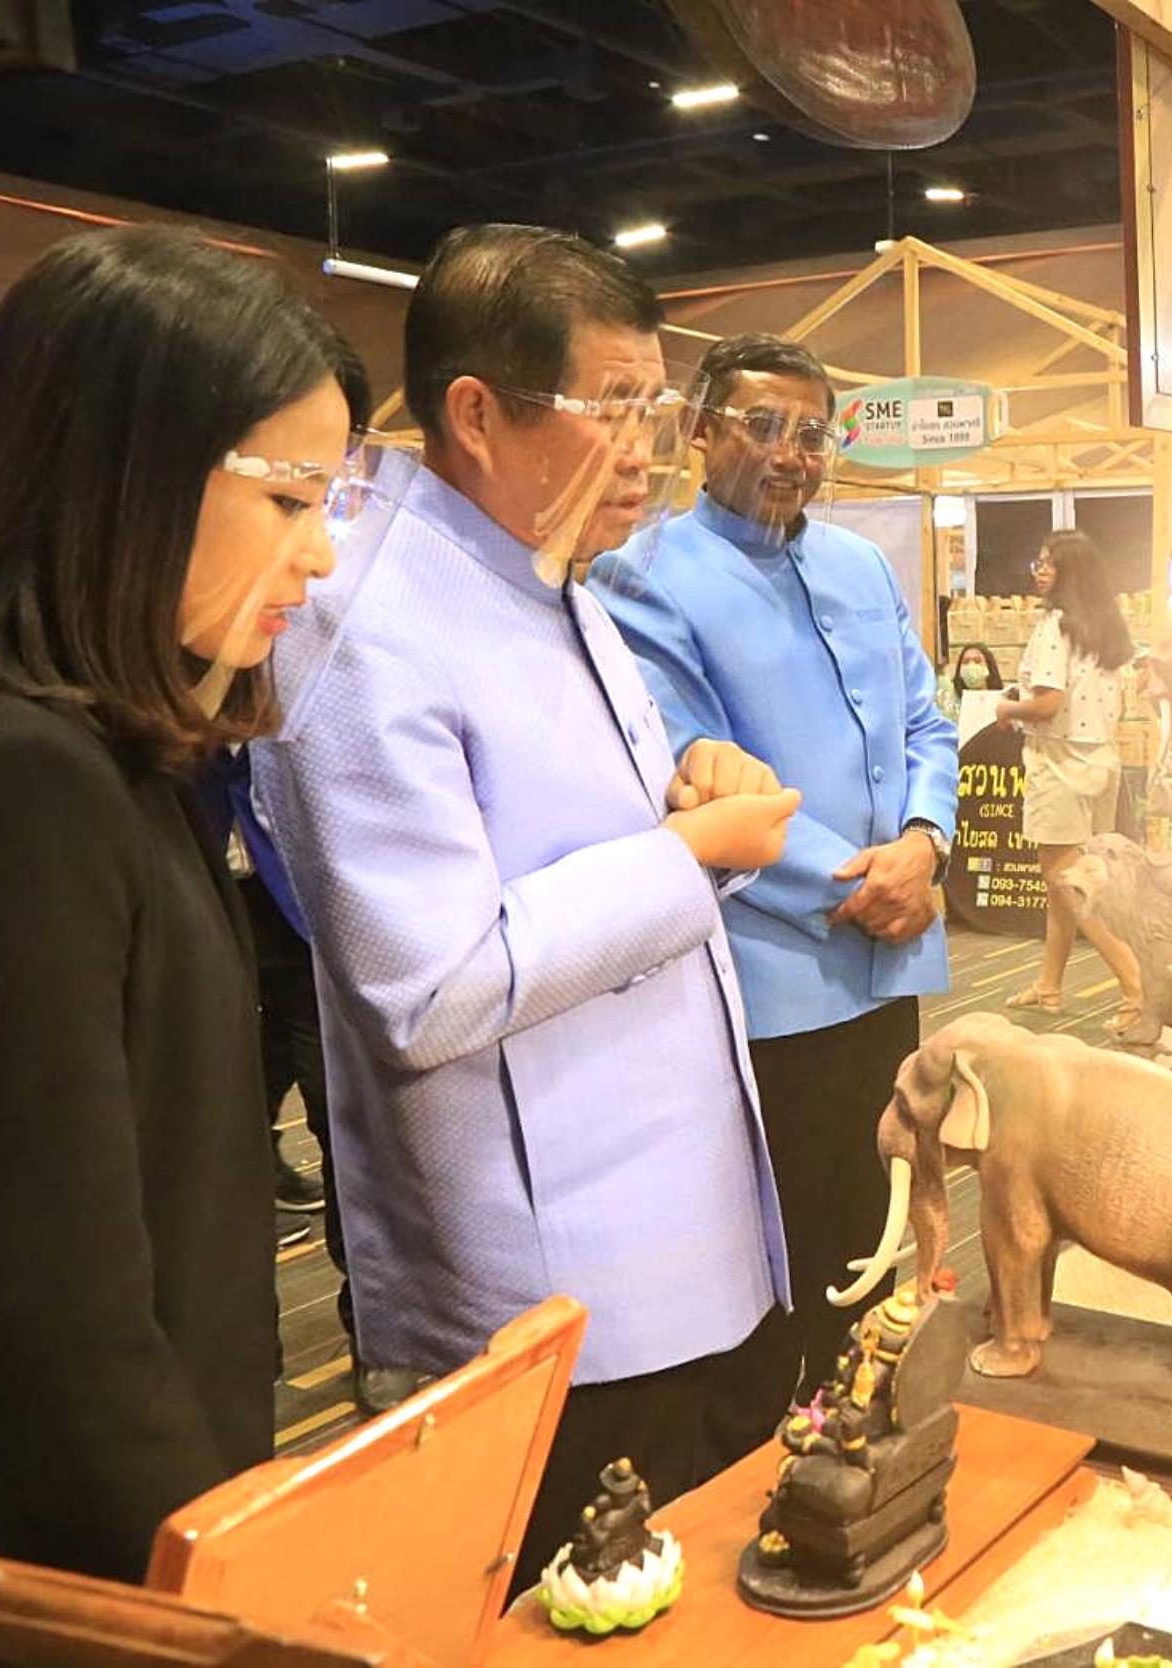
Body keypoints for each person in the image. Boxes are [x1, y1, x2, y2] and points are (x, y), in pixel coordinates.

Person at [252, 224, 804, 1595]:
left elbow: (566, 826)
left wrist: (690, 785)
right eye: (612, 407)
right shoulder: (365, 614)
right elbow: (427, 984)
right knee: (583, 1603)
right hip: (552, 1283)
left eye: (657, 408)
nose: (648, 450)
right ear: (477, 413)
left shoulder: (544, 571)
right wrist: (687, 860)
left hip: (685, 1231)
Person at [0, 225, 357, 1578]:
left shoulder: (117, 747)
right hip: (81, 1560)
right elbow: (52, 1309)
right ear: (125, 472)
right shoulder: (12, 774)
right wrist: (219, 1581)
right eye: (288, 499)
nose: (320, 557)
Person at [592, 333, 960, 1389]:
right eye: (762, 426)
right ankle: (783, 1438)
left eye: (811, 433)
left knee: (881, 1207)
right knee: (777, 1245)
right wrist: (866, 885)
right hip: (770, 977)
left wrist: (925, 844)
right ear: (700, 432)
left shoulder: (860, 565)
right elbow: (692, 769)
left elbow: (927, 725)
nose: (791, 453)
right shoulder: (643, 577)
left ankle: (866, 1416)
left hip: (888, 964)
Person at [1000, 531, 1143, 1021]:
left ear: (1070, 572)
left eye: (1050, 563)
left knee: (1071, 885)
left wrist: (1006, 708)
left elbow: (1047, 703)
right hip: (1100, 761)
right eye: (1038, 562)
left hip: (1059, 762)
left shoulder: (1054, 625)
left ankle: (1137, 987)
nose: (1041, 571)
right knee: (1071, 882)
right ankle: (1049, 986)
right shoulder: (1105, 629)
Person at [942, 642, 1003, 713]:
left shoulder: (1001, 702)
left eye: (977, 661)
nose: (971, 665)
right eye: (965, 662)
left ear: (989, 666)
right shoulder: (952, 706)